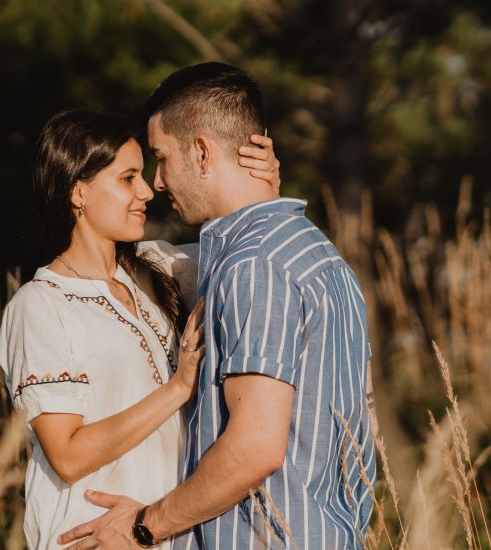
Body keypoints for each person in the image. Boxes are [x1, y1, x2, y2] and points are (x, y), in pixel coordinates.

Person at [58, 63, 376, 549]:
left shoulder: (255, 266)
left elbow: (255, 447)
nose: (158, 183)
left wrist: (145, 526)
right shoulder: (317, 254)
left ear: (203, 151)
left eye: (161, 158)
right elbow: (361, 428)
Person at [0, 109, 281, 549]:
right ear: (79, 192)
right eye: (128, 178)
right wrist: (178, 387)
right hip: (92, 534)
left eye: (144, 176)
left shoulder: (161, 266)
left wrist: (264, 193)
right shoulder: (39, 306)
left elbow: (252, 258)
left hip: (161, 531)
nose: (147, 191)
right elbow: (67, 455)